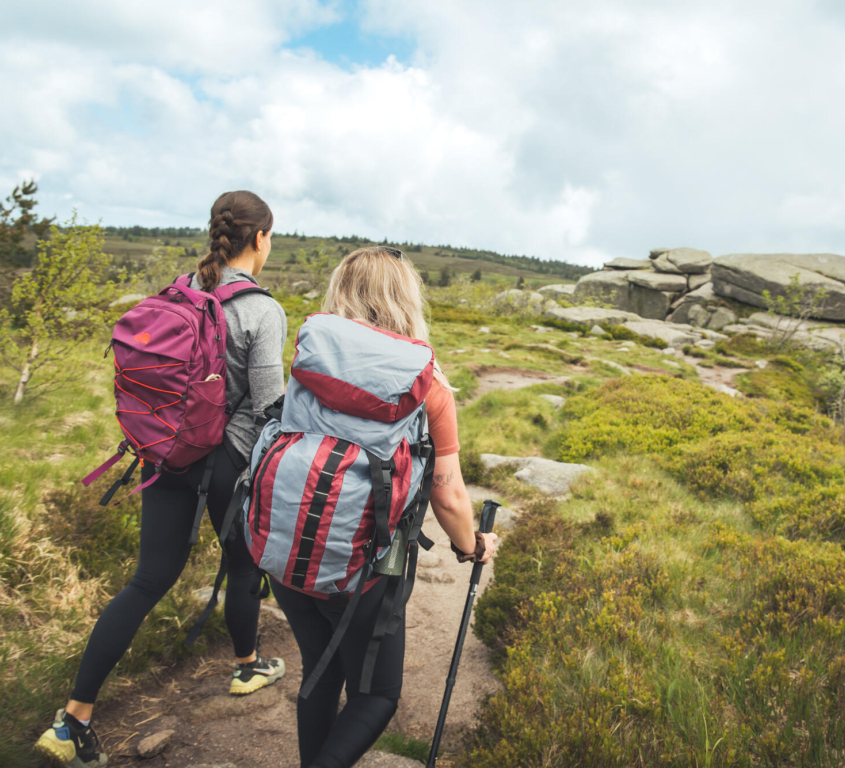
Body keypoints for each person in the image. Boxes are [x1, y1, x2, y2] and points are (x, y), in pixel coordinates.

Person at [35, 191, 289, 768]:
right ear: (260, 239)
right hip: (227, 459)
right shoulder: (261, 310)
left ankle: (72, 720)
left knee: (149, 579)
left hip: (166, 451)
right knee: (243, 564)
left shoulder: (184, 290)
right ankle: (247, 668)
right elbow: (271, 402)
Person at [270, 245, 498, 768]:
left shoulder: (308, 360)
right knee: (375, 695)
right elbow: (448, 492)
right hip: (365, 569)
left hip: (285, 550)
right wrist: (471, 546)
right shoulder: (428, 385)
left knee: (321, 670)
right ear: (405, 299)